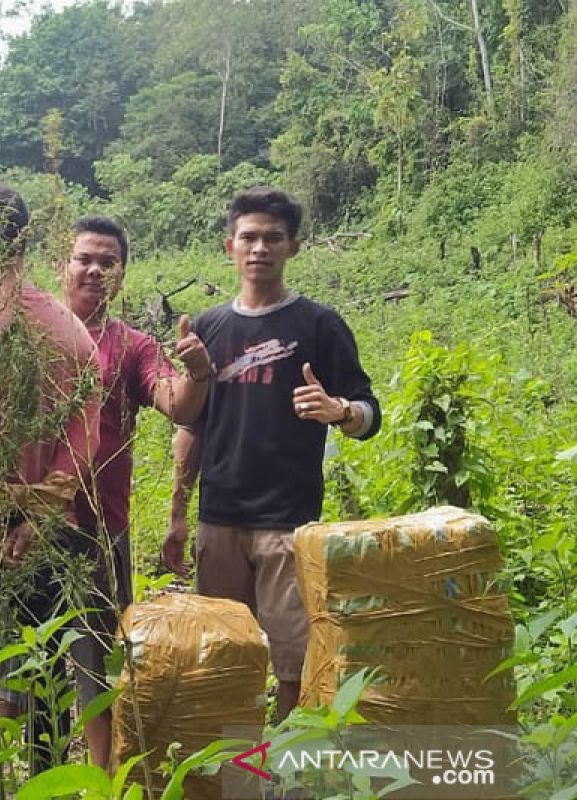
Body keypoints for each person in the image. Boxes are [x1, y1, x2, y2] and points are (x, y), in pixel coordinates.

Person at [162, 187, 381, 721]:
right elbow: (192, 424)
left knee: (292, 658)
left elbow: (370, 413)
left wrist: (339, 411)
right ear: (229, 246)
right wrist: (176, 513)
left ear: (293, 248)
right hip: (219, 519)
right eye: (250, 237)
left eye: (273, 238)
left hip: (288, 520)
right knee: (223, 653)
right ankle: (234, 768)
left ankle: (283, 770)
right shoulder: (209, 329)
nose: (260, 248)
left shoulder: (318, 325)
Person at [0, 182, 102, 768]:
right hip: (41, 537)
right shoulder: (69, 329)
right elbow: (83, 440)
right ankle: (43, 779)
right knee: (41, 682)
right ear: (25, 239)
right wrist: (35, 517)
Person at [57, 215, 210, 768]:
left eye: (108, 261)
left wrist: (197, 373)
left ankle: (102, 778)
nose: (95, 270)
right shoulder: (31, 336)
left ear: (122, 274)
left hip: (102, 529)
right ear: (63, 264)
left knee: (97, 663)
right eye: (85, 258)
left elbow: (177, 403)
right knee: (23, 673)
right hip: (28, 528)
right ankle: (28, 771)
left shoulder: (132, 345)